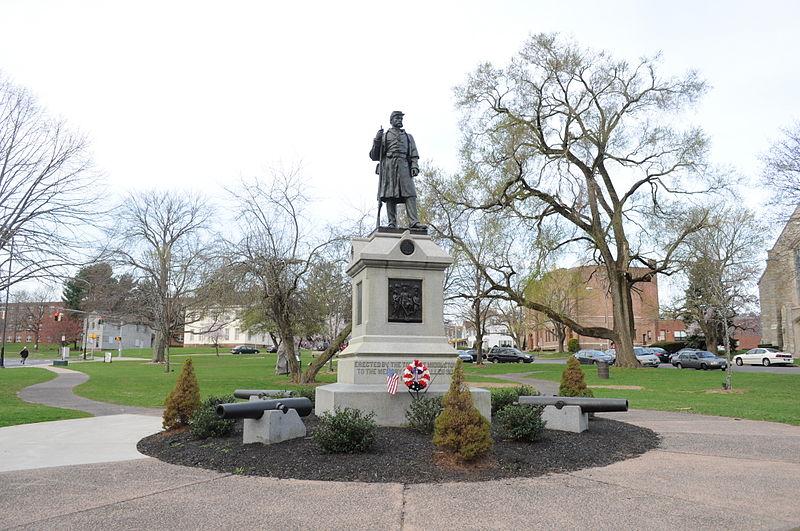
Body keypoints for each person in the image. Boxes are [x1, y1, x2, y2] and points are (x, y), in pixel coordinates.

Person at [369, 111, 426, 229]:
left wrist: (414, 165)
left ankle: (414, 222)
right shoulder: (384, 136)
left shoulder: (408, 136)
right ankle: (392, 222)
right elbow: (374, 156)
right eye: (397, 118)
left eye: (401, 118)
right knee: (390, 194)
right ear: (391, 121)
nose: (400, 120)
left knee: (410, 194)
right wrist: (377, 140)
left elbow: (414, 154)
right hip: (389, 166)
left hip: (404, 165)